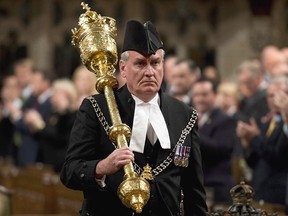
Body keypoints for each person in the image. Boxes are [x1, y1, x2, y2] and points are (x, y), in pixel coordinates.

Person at [60, 20, 208, 216]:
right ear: (123, 68)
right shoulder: (96, 108)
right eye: (140, 63)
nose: (149, 72)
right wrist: (102, 167)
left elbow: (194, 190)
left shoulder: (185, 114)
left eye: (155, 63)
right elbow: (69, 171)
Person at [236, 76, 288, 205]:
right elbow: (253, 161)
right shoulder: (266, 121)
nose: (275, 99)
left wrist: (255, 138)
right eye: (271, 95)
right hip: (260, 190)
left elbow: (278, 156)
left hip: (280, 193)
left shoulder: (285, 123)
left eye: (281, 94)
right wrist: (247, 141)